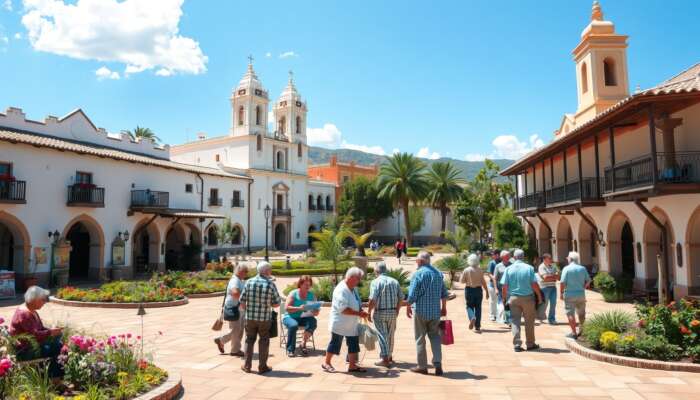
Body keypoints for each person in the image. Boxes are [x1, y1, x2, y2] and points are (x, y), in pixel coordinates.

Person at [406, 251, 448, 375]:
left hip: (420, 311)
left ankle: (422, 366)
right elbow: (444, 293)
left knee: (420, 339)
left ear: (421, 261)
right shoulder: (438, 274)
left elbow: (412, 295)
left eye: (416, 260)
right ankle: (438, 364)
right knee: (435, 337)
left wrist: (407, 306)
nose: (416, 262)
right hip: (435, 312)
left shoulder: (418, 274)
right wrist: (444, 307)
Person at [322, 267, 369, 373]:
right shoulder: (341, 289)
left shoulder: (353, 288)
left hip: (351, 323)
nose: (359, 281)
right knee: (335, 343)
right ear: (351, 277)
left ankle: (352, 365)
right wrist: (359, 313)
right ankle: (326, 362)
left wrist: (360, 310)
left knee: (353, 344)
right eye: (358, 278)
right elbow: (343, 309)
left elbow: (357, 302)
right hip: (340, 323)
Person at [9, 286, 63, 377]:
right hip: (26, 350)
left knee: (58, 340)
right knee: (57, 347)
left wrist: (51, 330)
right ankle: (54, 379)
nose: (44, 302)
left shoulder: (31, 310)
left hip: (33, 345)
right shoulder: (24, 314)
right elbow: (33, 336)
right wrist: (50, 332)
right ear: (34, 299)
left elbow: (40, 329)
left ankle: (52, 376)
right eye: (43, 300)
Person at [239, 261, 280, 374]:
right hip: (264, 319)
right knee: (264, 341)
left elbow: (242, 302)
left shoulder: (248, 282)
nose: (270, 272)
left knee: (249, 340)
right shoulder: (270, 284)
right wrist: (268, 304)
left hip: (250, 317)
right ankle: (262, 367)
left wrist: (247, 311)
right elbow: (276, 304)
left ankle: (247, 366)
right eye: (270, 270)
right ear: (266, 271)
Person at [500, 249, 543, 352]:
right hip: (528, 298)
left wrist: (504, 298)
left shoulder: (509, 269)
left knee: (515, 321)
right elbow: (534, 284)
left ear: (514, 257)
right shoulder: (529, 268)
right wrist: (539, 296)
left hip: (513, 298)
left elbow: (504, 286)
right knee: (529, 321)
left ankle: (517, 344)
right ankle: (530, 344)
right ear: (523, 257)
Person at [367, 261, 403, 367]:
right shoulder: (394, 281)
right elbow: (401, 297)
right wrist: (397, 310)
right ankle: (389, 356)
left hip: (380, 312)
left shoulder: (375, 282)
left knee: (382, 335)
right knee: (391, 335)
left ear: (376, 271)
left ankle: (385, 358)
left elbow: (372, 299)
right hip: (392, 312)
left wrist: (369, 312)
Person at [214, 264, 247, 357]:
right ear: (240, 271)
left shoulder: (239, 280)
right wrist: (243, 302)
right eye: (245, 271)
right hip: (234, 308)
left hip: (238, 308)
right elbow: (235, 293)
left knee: (239, 330)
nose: (246, 273)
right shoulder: (235, 280)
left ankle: (235, 350)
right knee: (236, 330)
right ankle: (221, 340)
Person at [282, 275, 319, 357]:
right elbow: (286, 308)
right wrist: (299, 308)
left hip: (303, 317)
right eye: (306, 285)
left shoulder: (311, 295)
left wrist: (315, 311)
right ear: (300, 284)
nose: (308, 287)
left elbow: (316, 311)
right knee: (293, 325)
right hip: (290, 317)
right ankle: (290, 349)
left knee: (313, 321)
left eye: (309, 285)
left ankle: (303, 343)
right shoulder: (294, 293)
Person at [560, 251, 591, 338]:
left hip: (569, 294)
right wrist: (584, 287)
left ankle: (574, 333)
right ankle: (582, 331)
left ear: (570, 259)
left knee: (570, 314)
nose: (567, 260)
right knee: (582, 314)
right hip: (581, 294)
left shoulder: (566, 268)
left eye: (568, 258)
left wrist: (561, 293)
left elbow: (562, 282)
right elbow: (589, 280)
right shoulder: (582, 268)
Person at [460, 253, 489, 332]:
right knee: (478, 308)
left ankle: (472, 317)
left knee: (469, 306)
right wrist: (486, 291)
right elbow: (483, 282)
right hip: (478, 290)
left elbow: (462, 281)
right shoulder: (480, 270)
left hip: (469, 290)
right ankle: (477, 326)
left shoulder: (467, 270)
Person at [537, 253, 559, 325]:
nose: (551, 260)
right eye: (549, 258)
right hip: (544, 288)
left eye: (550, 258)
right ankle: (540, 317)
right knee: (544, 304)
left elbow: (558, 276)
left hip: (553, 287)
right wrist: (553, 276)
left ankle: (551, 319)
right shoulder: (541, 267)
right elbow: (545, 278)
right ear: (544, 259)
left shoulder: (553, 265)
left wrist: (551, 277)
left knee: (553, 304)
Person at [493, 250, 512, 324]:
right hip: (501, 289)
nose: (509, 257)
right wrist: (495, 289)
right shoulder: (498, 266)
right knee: (503, 304)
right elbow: (495, 278)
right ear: (502, 257)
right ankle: (503, 318)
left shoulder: (512, 265)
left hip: (510, 289)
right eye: (507, 256)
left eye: (509, 256)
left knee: (509, 304)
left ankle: (509, 319)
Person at [486, 250, 501, 321]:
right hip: (492, 285)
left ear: (497, 255)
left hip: (501, 285)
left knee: (500, 301)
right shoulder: (492, 263)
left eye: (494, 254)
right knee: (493, 300)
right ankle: (492, 315)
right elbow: (488, 273)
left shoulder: (501, 262)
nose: (492, 256)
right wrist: (494, 278)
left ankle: (499, 315)